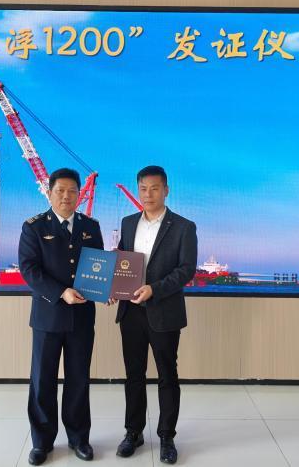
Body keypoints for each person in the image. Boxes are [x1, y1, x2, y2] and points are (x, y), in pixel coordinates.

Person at [18, 168, 104, 465]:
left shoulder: (91, 226)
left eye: (72, 191)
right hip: (47, 316)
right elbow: (29, 269)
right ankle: (41, 442)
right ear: (49, 192)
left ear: (79, 194)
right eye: (60, 191)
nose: (66, 196)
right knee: (43, 380)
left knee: (79, 379)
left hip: (82, 316)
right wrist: (60, 292)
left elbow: (99, 267)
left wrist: (105, 289)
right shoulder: (34, 226)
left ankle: (79, 438)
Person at [113, 165, 197, 464]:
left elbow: (186, 270)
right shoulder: (127, 223)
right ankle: (133, 432)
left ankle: (166, 437)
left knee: (167, 375)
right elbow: (122, 260)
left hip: (164, 311)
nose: (148, 194)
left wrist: (154, 289)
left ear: (166, 190)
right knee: (133, 375)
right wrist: (113, 286)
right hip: (130, 312)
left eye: (155, 188)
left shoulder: (184, 227)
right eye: (143, 189)